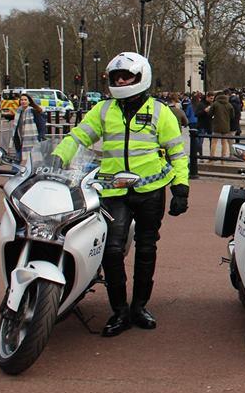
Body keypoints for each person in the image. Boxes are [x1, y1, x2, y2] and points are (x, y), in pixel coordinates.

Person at [51, 52, 189, 337]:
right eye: (116, 77)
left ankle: (139, 306)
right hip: (114, 189)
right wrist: (58, 157)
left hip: (151, 190)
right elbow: (79, 136)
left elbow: (177, 152)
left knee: (147, 249)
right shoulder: (103, 110)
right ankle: (119, 311)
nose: (122, 80)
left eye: (127, 76)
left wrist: (180, 187)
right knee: (112, 249)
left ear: (142, 78)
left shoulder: (161, 112)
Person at [11, 93, 46, 162]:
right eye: (21, 100)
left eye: (25, 100)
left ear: (29, 101)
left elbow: (41, 125)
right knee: (17, 160)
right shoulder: (19, 112)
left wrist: (39, 137)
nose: (23, 101)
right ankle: (16, 172)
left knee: (33, 161)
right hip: (20, 140)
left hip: (33, 140)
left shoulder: (33, 111)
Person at [210, 91, 235, 158]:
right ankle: (223, 157)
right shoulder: (229, 105)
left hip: (216, 126)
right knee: (224, 143)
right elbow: (232, 116)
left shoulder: (215, 104)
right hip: (226, 126)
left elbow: (210, 114)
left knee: (214, 142)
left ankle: (212, 156)